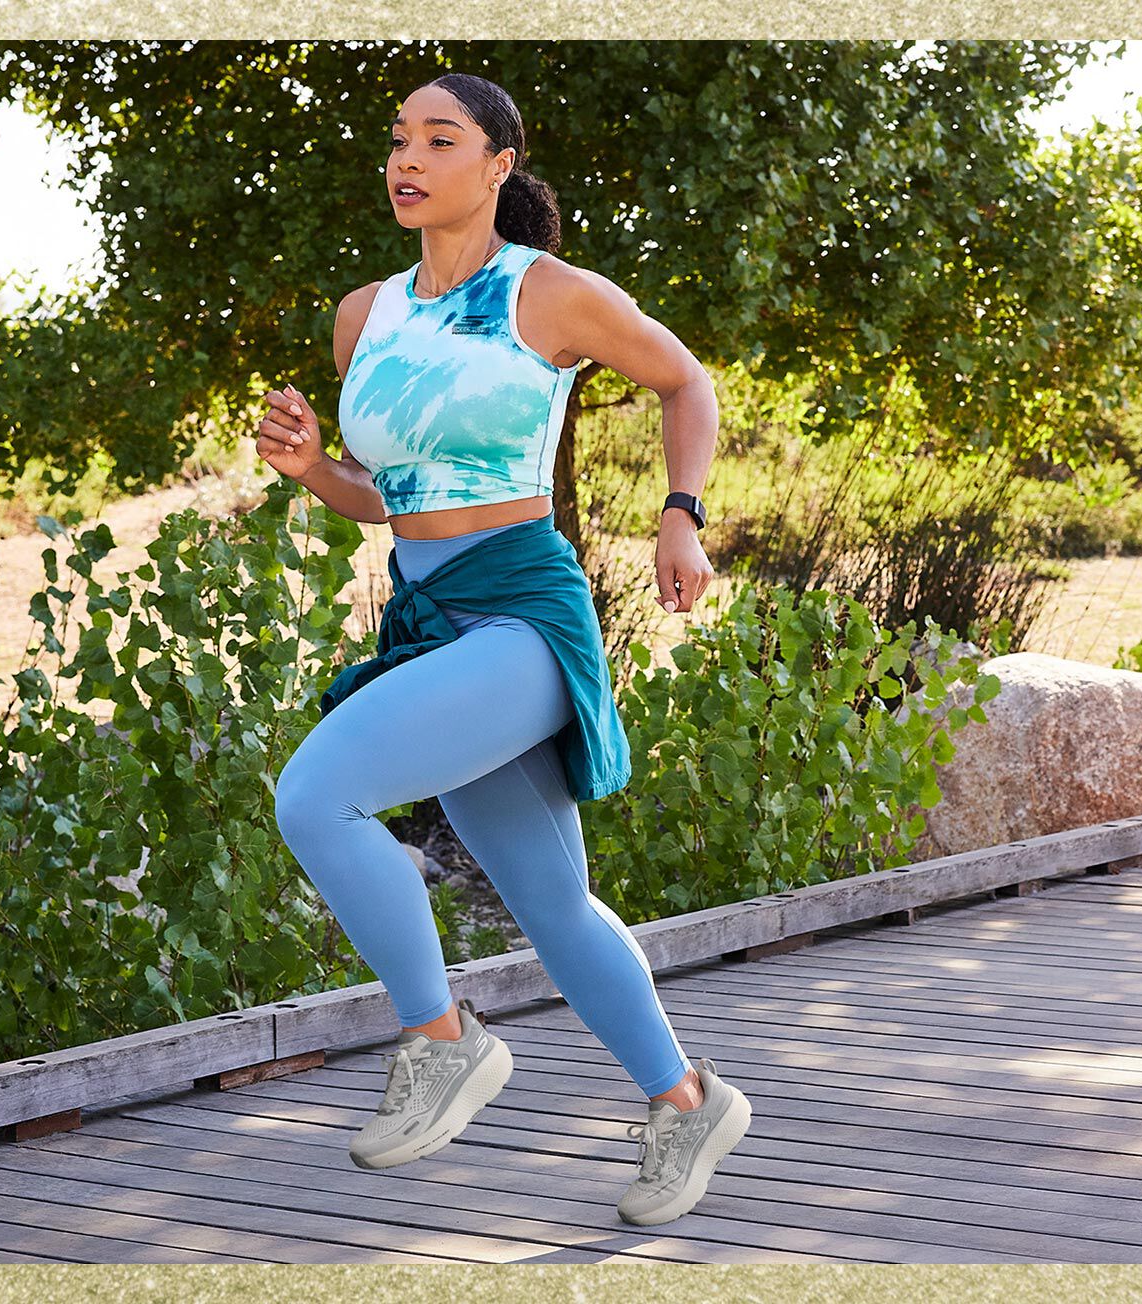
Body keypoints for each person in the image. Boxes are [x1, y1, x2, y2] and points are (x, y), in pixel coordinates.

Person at [256, 71, 751, 1226]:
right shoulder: (363, 313)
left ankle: (443, 1038)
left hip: (524, 609)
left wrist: (681, 512)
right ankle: (688, 1104)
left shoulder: (550, 295)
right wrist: (310, 469)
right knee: (554, 902)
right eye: (396, 141)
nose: (407, 159)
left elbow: (687, 378)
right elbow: (388, 496)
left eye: (440, 139)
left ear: (498, 166)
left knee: (315, 795)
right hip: (426, 612)